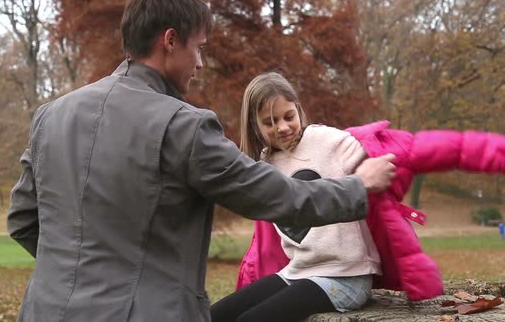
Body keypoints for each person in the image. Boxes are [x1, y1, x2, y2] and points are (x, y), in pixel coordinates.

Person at [6, 0, 397, 321]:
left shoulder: (51, 115)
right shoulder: (182, 125)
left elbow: (24, 219)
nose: (200, 63)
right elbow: (277, 196)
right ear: (170, 41)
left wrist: (74, 273)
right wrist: (357, 188)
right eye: (198, 48)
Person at [214, 72, 505, 322]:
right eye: (269, 122)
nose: (282, 127)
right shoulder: (264, 166)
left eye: (288, 116)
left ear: (299, 109)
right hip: (298, 272)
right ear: (255, 126)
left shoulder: (329, 143)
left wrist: (492, 153)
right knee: (214, 315)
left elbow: (411, 152)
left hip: (344, 278)